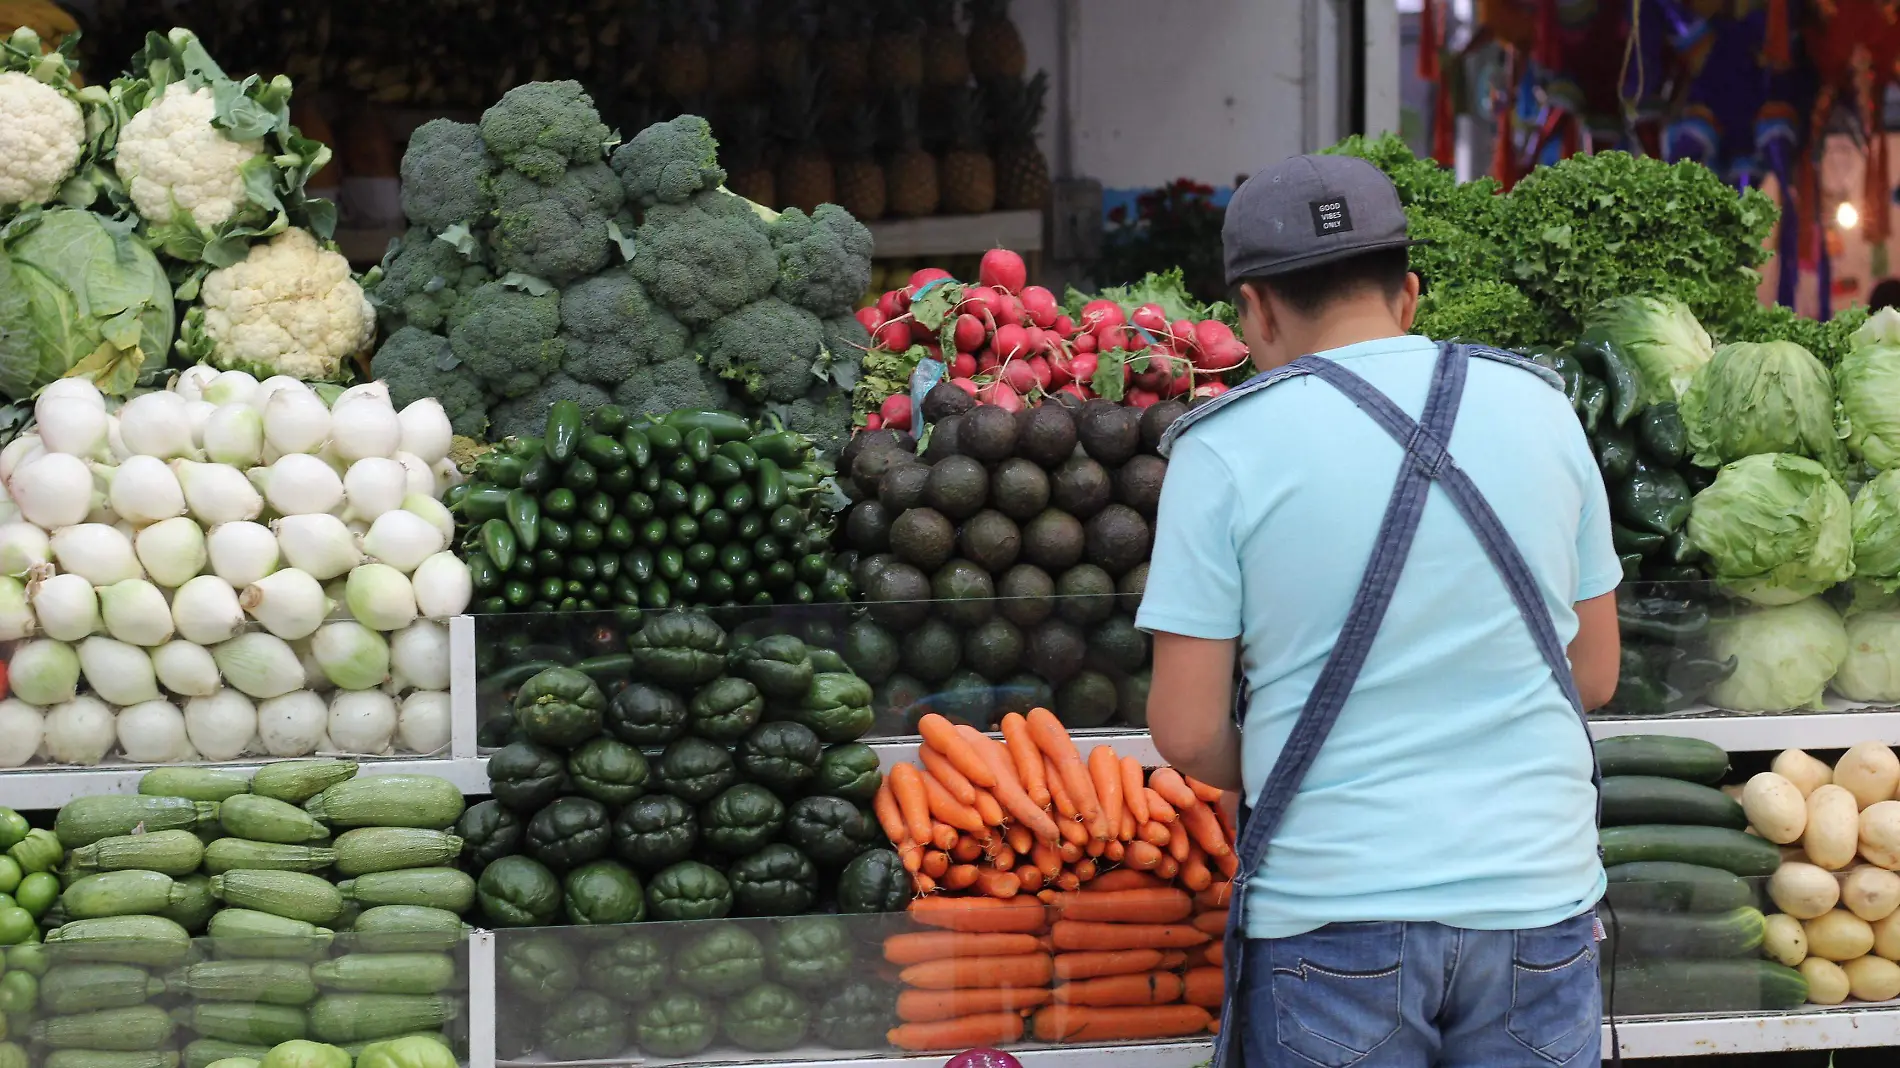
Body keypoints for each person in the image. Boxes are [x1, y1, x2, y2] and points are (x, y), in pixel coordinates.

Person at [1136, 154, 1621, 1067]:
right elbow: (1592, 674)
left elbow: (1188, 729)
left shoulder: (1221, 450)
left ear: (1256, 310)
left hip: (1331, 920)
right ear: (1408, 294)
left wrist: (1309, 761)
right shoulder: (1544, 410)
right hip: (1538, 910)